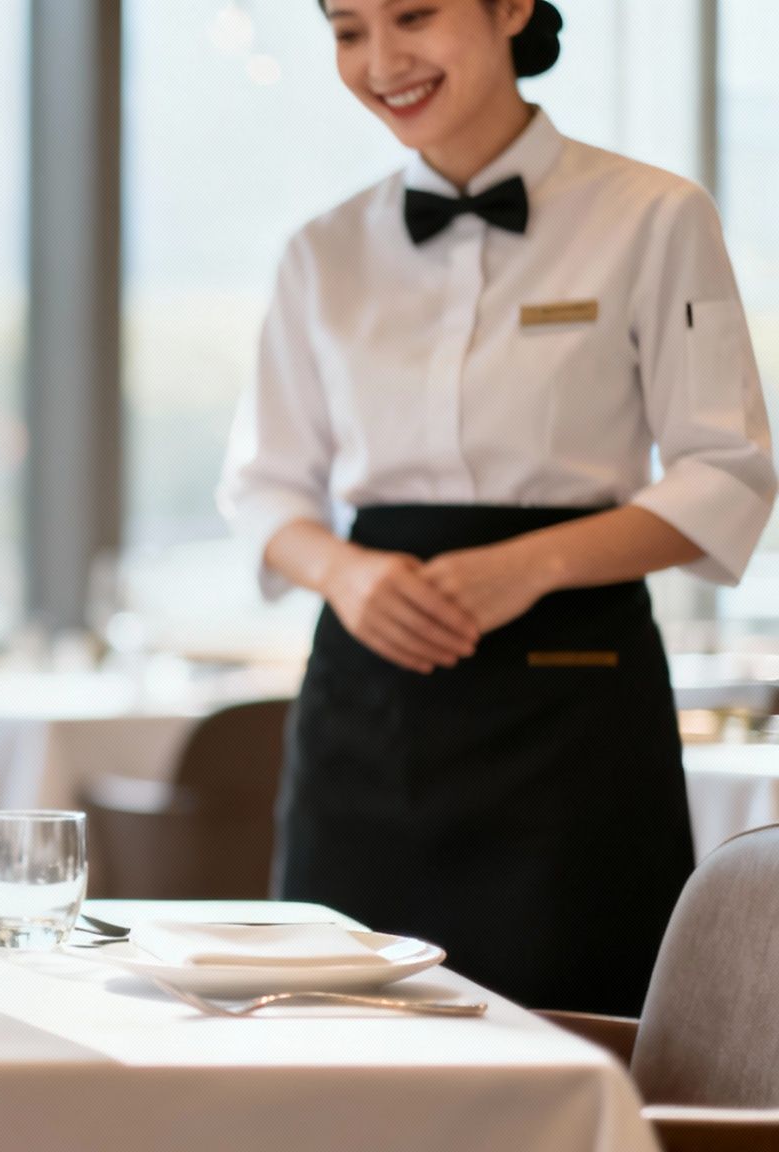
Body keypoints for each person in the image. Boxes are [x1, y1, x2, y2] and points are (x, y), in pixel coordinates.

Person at [219, 0, 774, 1016]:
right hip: (365, 694)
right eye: (347, 32)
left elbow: (723, 470)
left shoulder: (652, 215)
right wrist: (345, 571)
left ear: (509, 8)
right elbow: (262, 488)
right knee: (329, 1035)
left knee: (578, 1020)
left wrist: (525, 565)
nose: (381, 61)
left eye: (413, 16)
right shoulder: (320, 250)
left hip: (570, 701)